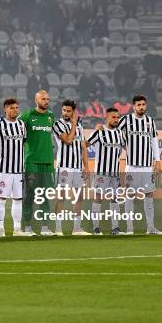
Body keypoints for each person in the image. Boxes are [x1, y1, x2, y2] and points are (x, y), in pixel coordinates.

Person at [118, 95, 162, 235]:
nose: (141, 107)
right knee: (130, 195)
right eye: (139, 105)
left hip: (146, 166)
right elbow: (114, 131)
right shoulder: (126, 120)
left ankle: (150, 227)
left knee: (149, 194)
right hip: (131, 166)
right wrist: (122, 143)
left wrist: (158, 161)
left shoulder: (150, 122)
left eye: (143, 104)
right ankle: (129, 228)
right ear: (133, 106)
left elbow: (154, 142)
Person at [19, 90, 56, 236]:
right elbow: (16, 131)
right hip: (31, 162)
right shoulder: (27, 116)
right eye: (43, 99)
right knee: (30, 194)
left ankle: (45, 227)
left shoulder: (51, 116)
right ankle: (27, 226)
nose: (46, 101)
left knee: (46, 195)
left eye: (48, 99)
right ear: (36, 100)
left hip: (47, 162)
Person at [0, 98, 30, 237]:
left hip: (19, 170)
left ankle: (17, 229)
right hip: (4, 170)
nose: (15, 110)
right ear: (5, 109)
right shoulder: (0, 125)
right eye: (12, 108)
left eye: (17, 108)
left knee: (18, 199)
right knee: (1, 199)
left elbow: (23, 141)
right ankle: (0, 229)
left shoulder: (21, 125)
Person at [52, 100, 91, 236]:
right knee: (61, 198)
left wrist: (86, 166)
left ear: (73, 112)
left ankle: (77, 228)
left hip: (77, 168)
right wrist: (74, 124)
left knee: (79, 198)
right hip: (64, 167)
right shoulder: (58, 124)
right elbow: (68, 140)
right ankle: (58, 229)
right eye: (64, 110)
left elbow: (83, 147)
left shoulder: (80, 127)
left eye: (69, 111)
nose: (66, 113)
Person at [86, 107, 125, 235]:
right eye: (113, 117)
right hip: (101, 172)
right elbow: (84, 145)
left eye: (118, 117)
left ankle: (115, 228)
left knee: (114, 199)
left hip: (115, 173)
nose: (116, 120)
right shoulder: (99, 132)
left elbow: (127, 147)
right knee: (98, 198)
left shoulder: (120, 133)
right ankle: (96, 228)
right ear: (107, 117)